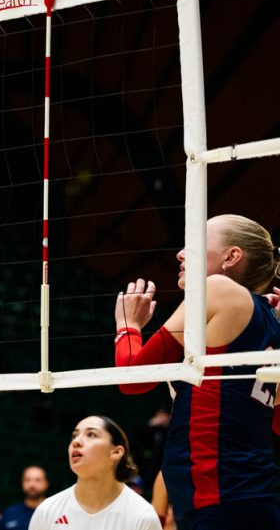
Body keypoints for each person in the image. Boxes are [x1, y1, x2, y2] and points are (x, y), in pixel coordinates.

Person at [114, 214, 280, 528]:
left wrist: (128, 326)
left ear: (232, 257)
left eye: (195, 243)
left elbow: (132, 379)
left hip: (219, 498)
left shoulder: (217, 290)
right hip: (243, 498)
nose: (180, 253)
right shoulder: (271, 322)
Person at [28, 416, 158, 529]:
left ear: (116, 452)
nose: (76, 441)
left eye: (91, 434)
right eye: (74, 435)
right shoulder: (47, 511)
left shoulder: (142, 516)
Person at [0, 466, 48, 530]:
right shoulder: (9, 513)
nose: (32, 484)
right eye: (27, 480)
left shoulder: (56, 513)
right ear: (22, 483)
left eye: (37, 480)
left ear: (46, 483)